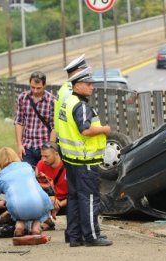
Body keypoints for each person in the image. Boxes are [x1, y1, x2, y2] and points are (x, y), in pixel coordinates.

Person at [56, 68, 112, 247]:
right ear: (78, 85)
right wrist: (104, 129)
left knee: (74, 197)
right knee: (89, 199)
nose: (92, 87)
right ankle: (92, 236)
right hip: (85, 160)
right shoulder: (80, 106)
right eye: (88, 84)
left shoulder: (67, 101)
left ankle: (74, 236)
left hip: (72, 160)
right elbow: (85, 130)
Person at [0, 147, 53, 237]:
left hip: (18, 207)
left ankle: (19, 228)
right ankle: (36, 229)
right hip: (39, 202)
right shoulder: (27, 165)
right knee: (38, 215)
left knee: (20, 215)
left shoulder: (0, 175)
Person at [14, 71, 55, 168]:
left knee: (43, 178)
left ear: (44, 85)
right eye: (32, 87)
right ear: (29, 84)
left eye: (38, 88)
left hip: (44, 146)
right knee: (27, 177)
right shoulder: (22, 98)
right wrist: (19, 145)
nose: (35, 91)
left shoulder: (52, 100)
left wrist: (50, 148)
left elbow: (54, 127)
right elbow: (19, 122)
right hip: (27, 146)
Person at [53, 54, 89, 145]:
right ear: (79, 71)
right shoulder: (72, 92)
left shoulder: (64, 88)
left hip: (64, 140)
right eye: (84, 71)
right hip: (73, 142)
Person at [35, 142, 68, 230]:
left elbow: (76, 192)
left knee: (80, 199)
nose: (43, 159)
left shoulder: (68, 167)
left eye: (46, 156)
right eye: (42, 156)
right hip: (48, 201)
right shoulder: (41, 164)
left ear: (56, 154)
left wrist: (60, 204)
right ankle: (47, 221)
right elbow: (36, 188)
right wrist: (50, 198)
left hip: (65, 202)